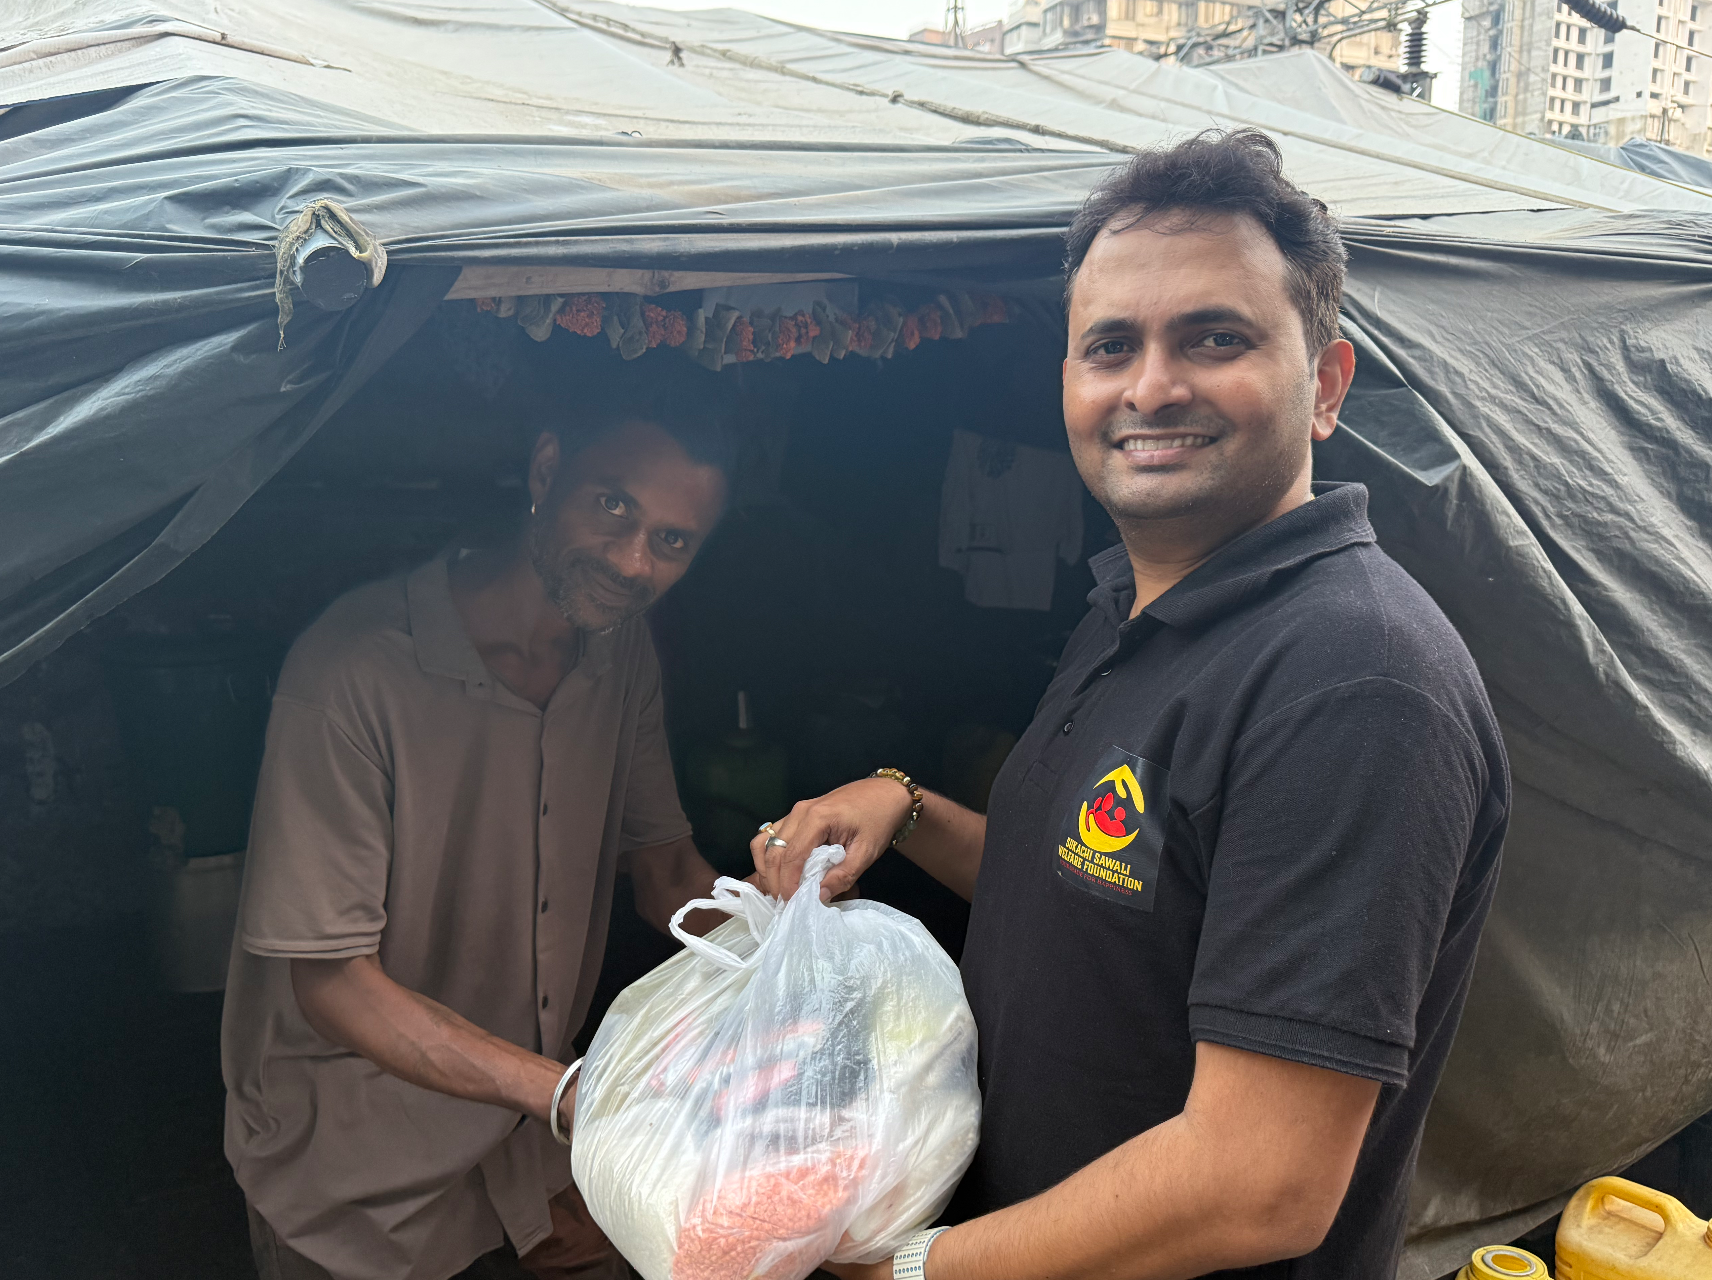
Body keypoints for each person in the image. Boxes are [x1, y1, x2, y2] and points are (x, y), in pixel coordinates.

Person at [753, 129, 1509, 1280]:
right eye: (1112, 345)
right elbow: (1100, 893)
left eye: (1215, 337)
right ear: (1068, 381)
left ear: (1326, 385)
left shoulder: (1355, 678)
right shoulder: (1134, 611)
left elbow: (1257, 1180)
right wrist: (908, 806)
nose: (1152, 385)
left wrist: (913, 1269)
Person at [222, 377, 735, 1280]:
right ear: (546, 470)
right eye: (612, 505)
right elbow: (333, 983)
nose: (631, 562)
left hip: (526, 1141)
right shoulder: (352, 671)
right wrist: (566, 1092)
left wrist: (797, 948)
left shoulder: (620, 654)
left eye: (671, 541)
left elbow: (663, 871)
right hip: (360, 1166)